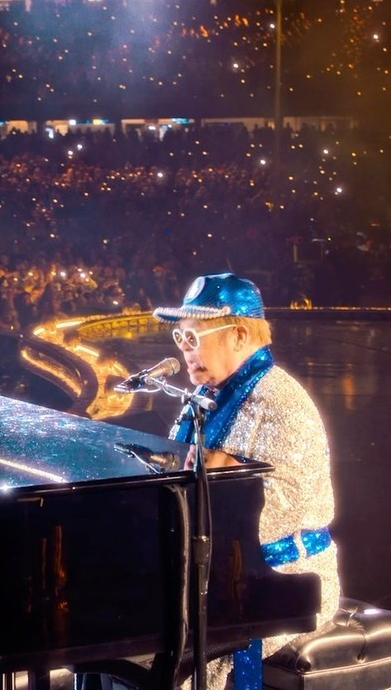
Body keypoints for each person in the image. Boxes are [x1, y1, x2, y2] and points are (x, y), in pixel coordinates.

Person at [152, 272, 341, 690]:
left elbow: (285, 509)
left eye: (193, 336)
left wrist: (226, 483)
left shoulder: (280, 402)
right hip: (217, 573)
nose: (184, 349)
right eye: (180, 337)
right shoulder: (207, 397)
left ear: (238, 334)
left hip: (285, 577)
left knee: (179, 658)